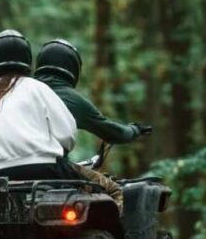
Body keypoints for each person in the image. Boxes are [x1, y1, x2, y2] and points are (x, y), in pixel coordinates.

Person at [34, 39, 152, 211]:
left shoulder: (21, 93)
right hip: (54, 169)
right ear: (72, 68)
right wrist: (135, 130)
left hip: (7, 171)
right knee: (113, 190)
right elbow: (115, 133)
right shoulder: (73, 100)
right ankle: (113, 237)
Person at [0, 30, 81, 182]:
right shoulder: (36, 87)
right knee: (98, 188)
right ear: (27, 59)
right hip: (42, 168)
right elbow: (66, 134)